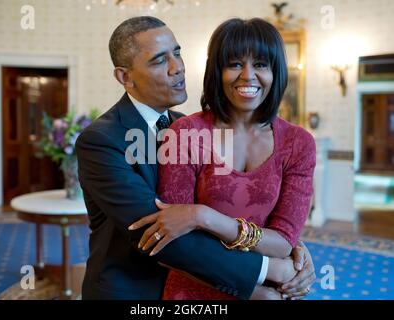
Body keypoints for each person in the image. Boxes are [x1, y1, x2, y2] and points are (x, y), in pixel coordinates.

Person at [77, 16, 316, 300]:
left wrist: (290, 246)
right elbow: (163, 236)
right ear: (125, 77)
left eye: (177, 53)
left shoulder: (185, 125)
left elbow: (238, 211)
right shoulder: (102, 140)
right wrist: (269, 271)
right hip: (134, 290)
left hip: (204, 281)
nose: (178, 68)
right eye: (159, 60)